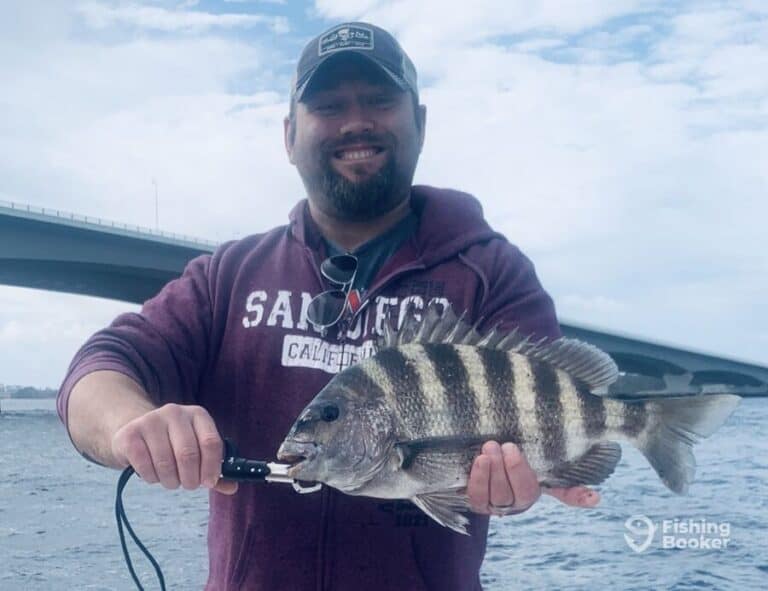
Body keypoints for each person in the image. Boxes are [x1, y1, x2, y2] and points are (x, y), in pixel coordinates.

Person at [58, 22, 599, 591]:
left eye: (380, 101)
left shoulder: (490, 272)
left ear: (419, 122)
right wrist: (130, 428)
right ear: (290, 135)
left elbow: (547, 411)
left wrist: (518, 488)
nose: (356, 121)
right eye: (329, 105)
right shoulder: (230, 274)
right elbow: (104, 364)